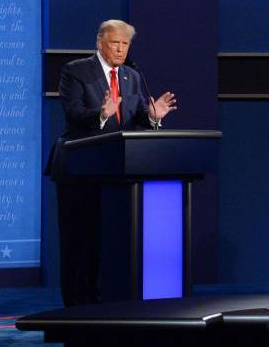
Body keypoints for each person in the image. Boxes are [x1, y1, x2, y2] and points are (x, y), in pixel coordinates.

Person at [46, 19, 178, 306]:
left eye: (125, 44)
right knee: (80, 243)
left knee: (110, 243)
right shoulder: (76, 71)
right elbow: (73, 114)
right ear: (99, 42)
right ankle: (77, 308)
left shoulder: (131, 75)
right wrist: (101, 114)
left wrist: (153, 116)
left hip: (116, 172)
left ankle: (109, 304)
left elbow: (137, 116)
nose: (120, 49)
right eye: (114, 42)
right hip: (79, 169)